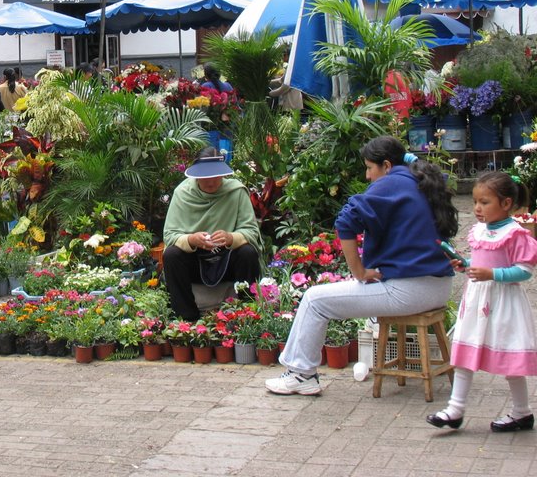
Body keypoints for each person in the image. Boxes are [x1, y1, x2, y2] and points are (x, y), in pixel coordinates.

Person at [266, 136, 458, 396]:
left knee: (313, 299)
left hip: (409, 290)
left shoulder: (391, 183)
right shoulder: (421, 180)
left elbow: (345, 222)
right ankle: (300, 374)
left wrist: (358, 272)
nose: (368, 176)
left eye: (369, 168)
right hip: (438, 287)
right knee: (319, 299)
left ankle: (301, 375)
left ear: (387, 165)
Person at [426, 171, 537, 431]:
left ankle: (522, 412)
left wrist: (492, 274)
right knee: (465, 354)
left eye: (484, 202)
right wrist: (466, 265)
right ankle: (455, 410)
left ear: (506, 203)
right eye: (475, 202)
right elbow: (479, 264)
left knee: (511, 360)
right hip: (476, 303)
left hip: (504, 304)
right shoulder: (479, 231)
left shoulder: (515, 233)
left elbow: (525, 270)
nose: (477, 208)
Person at [161, 147, 263, 322]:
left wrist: (231, 238)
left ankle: (248, 314)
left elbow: (251, 231)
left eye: (216, 176)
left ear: (223, 174)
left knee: (247, 252)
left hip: (227, 258)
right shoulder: (182, 193)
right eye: (205, 178)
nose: (211, 183)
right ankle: (186, 319)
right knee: (171, 255)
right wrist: (191, 240)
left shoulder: (236, 191)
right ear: (196, 176)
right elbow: (170, 235)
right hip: (195, 260)